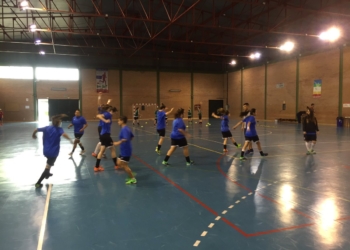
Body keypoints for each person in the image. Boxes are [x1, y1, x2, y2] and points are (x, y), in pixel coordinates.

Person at [32, 114, 73, 188]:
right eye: (60, 121)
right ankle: (38, 182)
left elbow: (36, 129)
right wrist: (70, 139)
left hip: (46, 151)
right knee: (48, 166)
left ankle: (47, 174)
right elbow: (64, 134)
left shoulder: (46, 128)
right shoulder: (59, 129)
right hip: (53, 152)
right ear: (58, 123)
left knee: (49, 163)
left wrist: (33, 135)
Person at [94, 106, 118, 172]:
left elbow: (100, 116)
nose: (114, 114)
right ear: (112, 111)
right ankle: (116, 165)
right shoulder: (108, 114)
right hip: (106, 135)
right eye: (115, 113)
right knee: (112, 149)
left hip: (102, 135)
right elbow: (98, 116)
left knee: (101, 151)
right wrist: (105, 120)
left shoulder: (107, 114)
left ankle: (96, 167)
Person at [113, 116, 137, 184]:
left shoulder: (125, 129)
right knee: (118, 163)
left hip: (126, 150)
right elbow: (132, 136)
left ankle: (133, 178)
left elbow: (125, 139)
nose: (118, 122)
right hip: (123, 149)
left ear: (122, 121)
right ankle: (130, 172)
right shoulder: (126, 128)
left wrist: (117, 143)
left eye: (118, 121)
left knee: (124, 165)